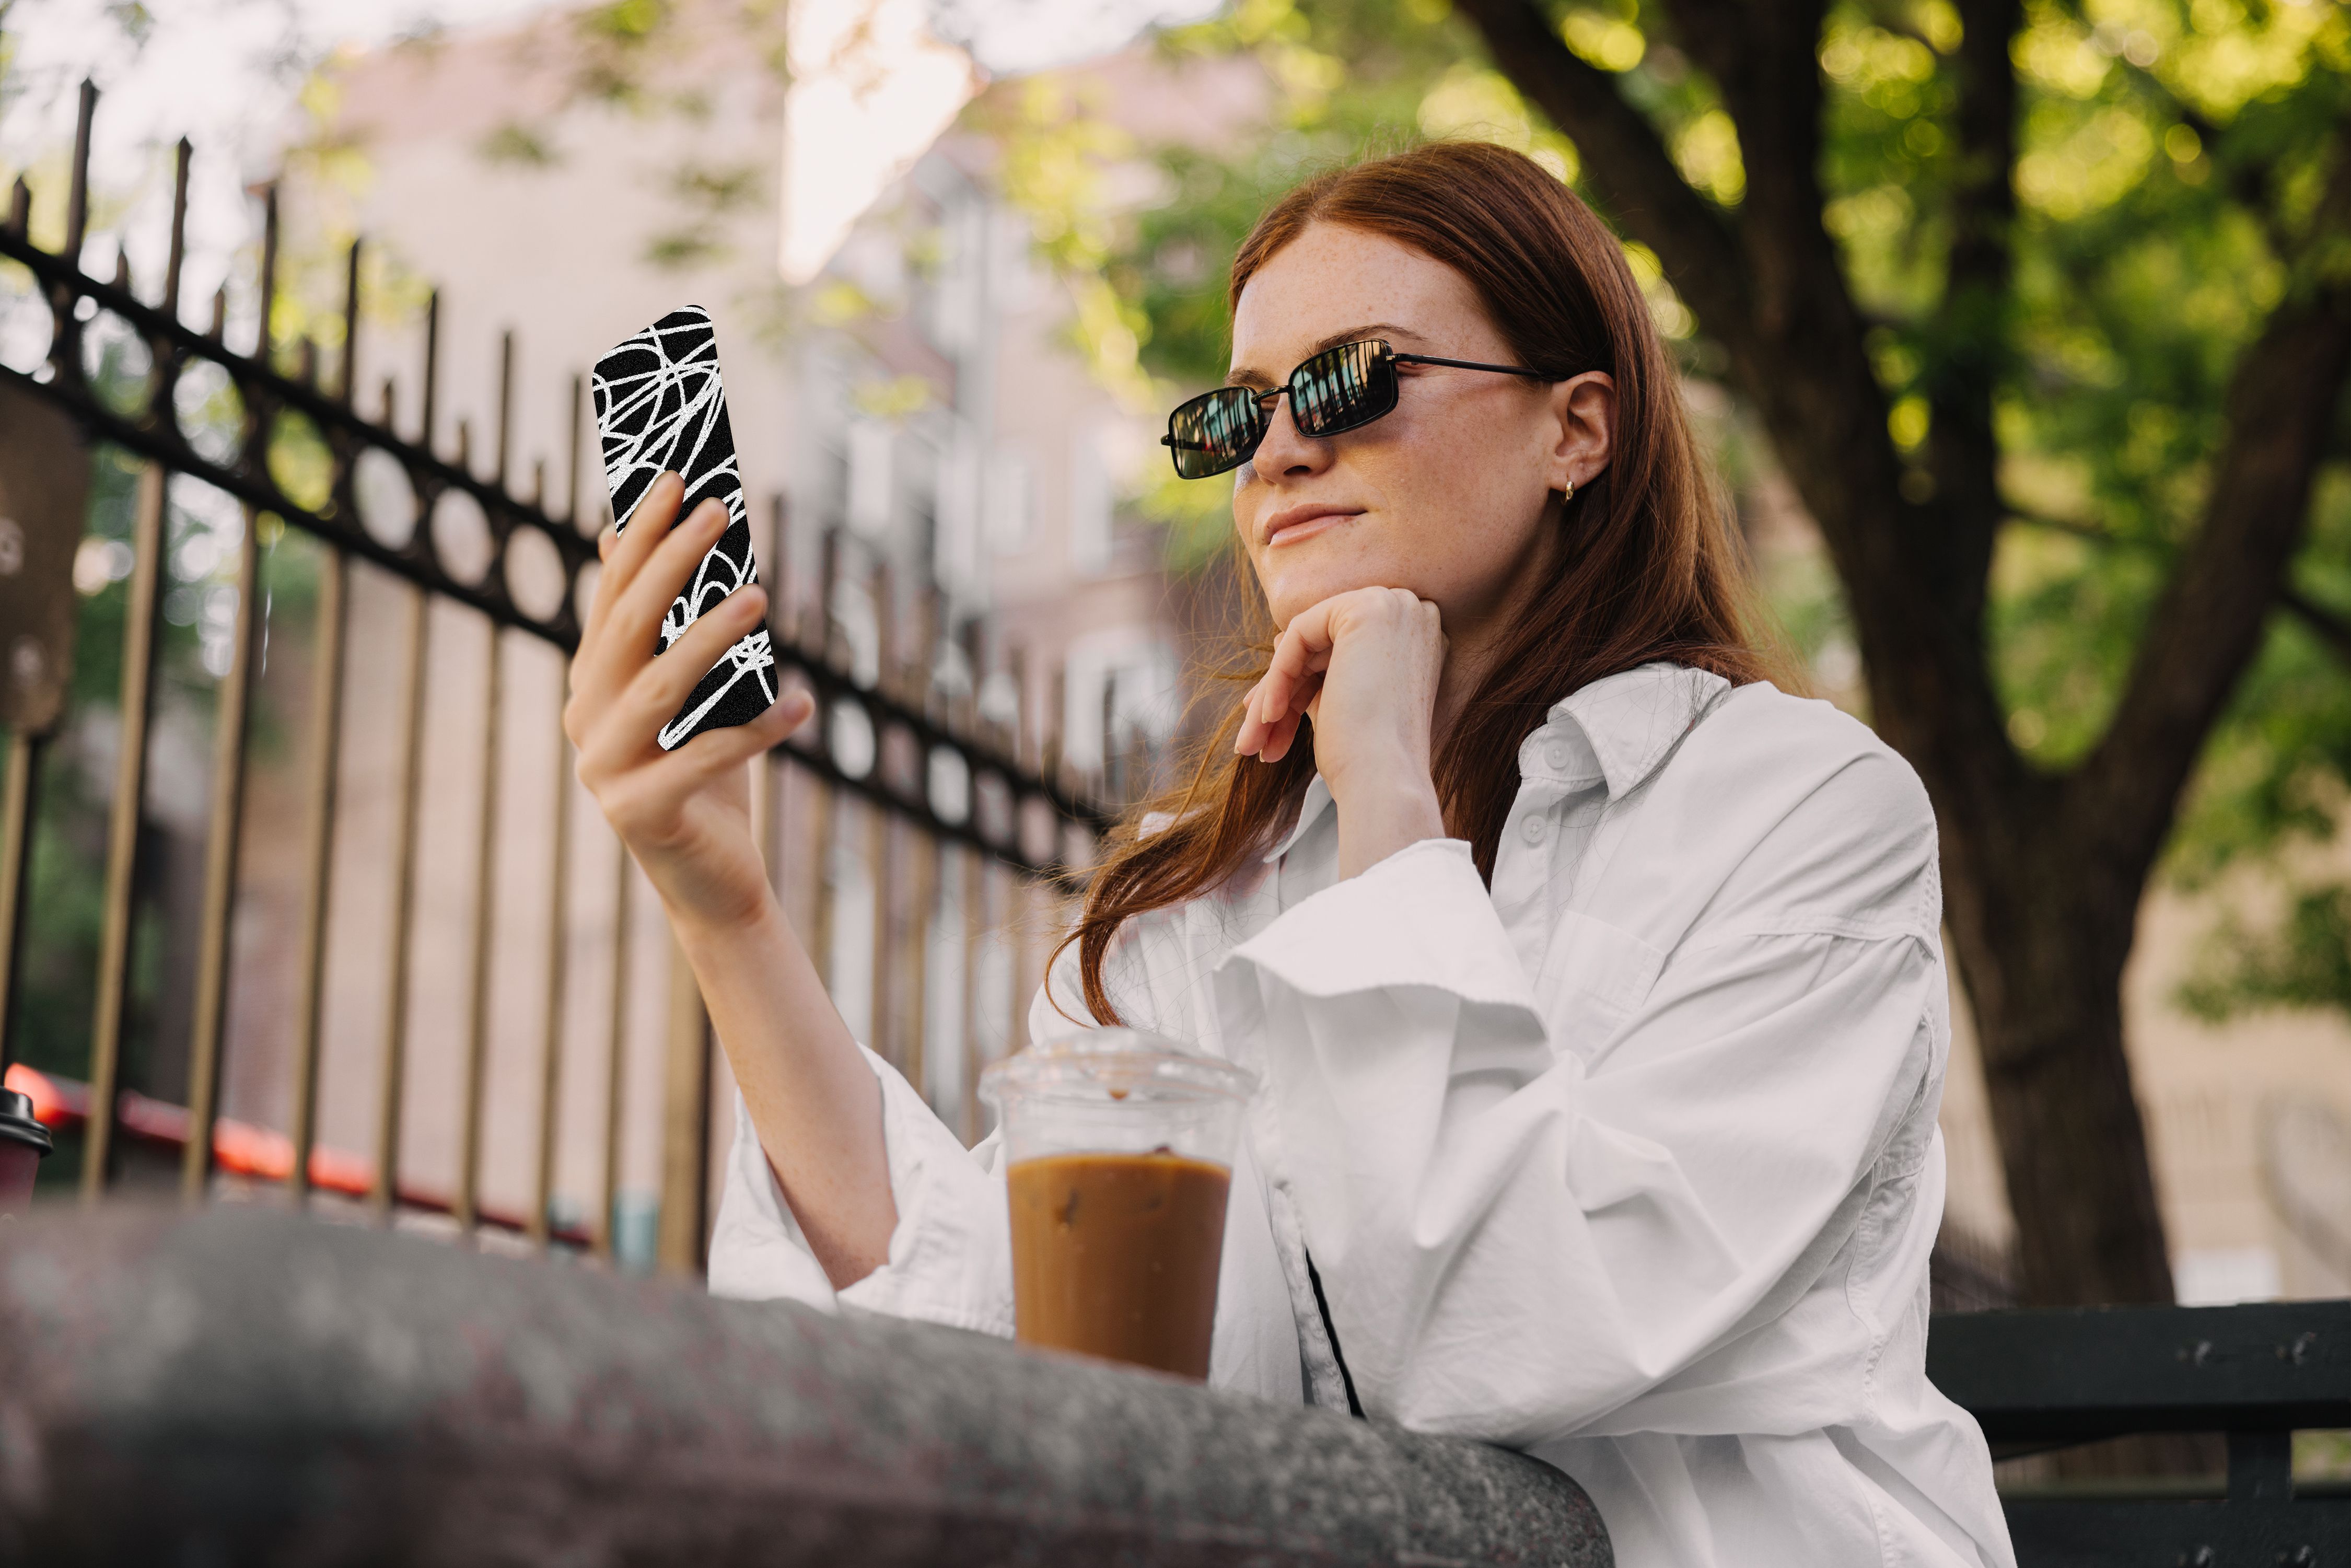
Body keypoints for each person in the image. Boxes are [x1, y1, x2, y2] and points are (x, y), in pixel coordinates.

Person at [564, 141, 2015, 1568]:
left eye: (1348, 380)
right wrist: (724, 903)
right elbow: (1021, 1353)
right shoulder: (1190, 897)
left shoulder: (1797, 808)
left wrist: (1386, 780)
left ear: (1577, 427)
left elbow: (1507, 1329)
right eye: (1234, 414)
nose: (1277, 450)